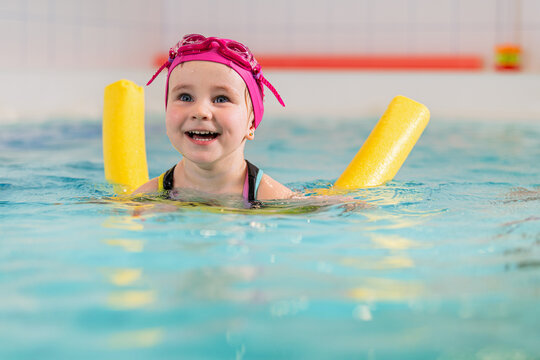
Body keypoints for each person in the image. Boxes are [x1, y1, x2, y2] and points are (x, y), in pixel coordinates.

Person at [134, 34, 294, 204]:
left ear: (251, 124)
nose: (201, 111)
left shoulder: (275, 199)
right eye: (185, 97)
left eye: (221, 99)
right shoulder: (145, 200)